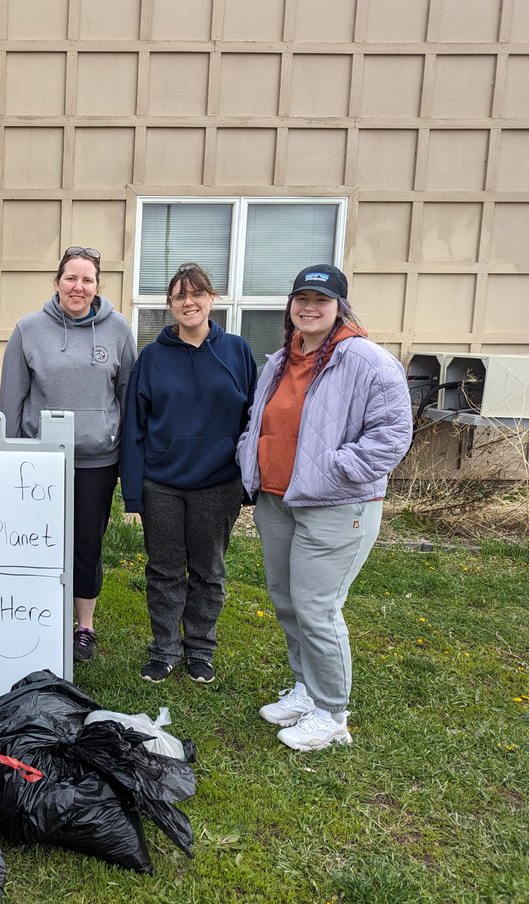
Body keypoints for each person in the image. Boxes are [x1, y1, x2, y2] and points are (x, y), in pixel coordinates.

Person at [237, 264, 412, 751]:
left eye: (321, 299)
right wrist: (248, 457)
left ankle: (333, 713)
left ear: (340, 307)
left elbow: (393, 434)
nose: (309, 308)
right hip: (277, 500)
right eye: (301, 299)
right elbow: (258, 420)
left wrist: (337, 469)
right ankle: (306, 689)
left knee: (317, 607)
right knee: (289, 602)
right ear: (290, 306)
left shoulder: (368, 361)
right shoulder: (279, 361)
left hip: (336, 504)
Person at [121, 262, 257, 685]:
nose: (189, 302)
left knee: (208, 571)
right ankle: (164, 650)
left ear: (211, 299)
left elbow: (254, 419)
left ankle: (200, 650)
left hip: (218, 483)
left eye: (196, 294)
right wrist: (133, 494)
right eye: (179, 296)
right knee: (163, 570)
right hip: (162, 483)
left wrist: (249, 481)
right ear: (170, 305)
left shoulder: (236, 351)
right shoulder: (152, 357)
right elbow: (134, 428)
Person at [0, 246, 136, 662]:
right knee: (36, 541)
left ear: (98, 286)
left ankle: (84, 627)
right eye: (71, 278)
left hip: (97, 459)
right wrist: (9, 456)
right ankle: (35, 615)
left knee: (86, 544)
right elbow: (11, 398)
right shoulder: (29, 329)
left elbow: (127, 396)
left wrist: (127, 458)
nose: (78, 287)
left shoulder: (118, 330)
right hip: (40, 461)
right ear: (57, 282)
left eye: (87, 280)